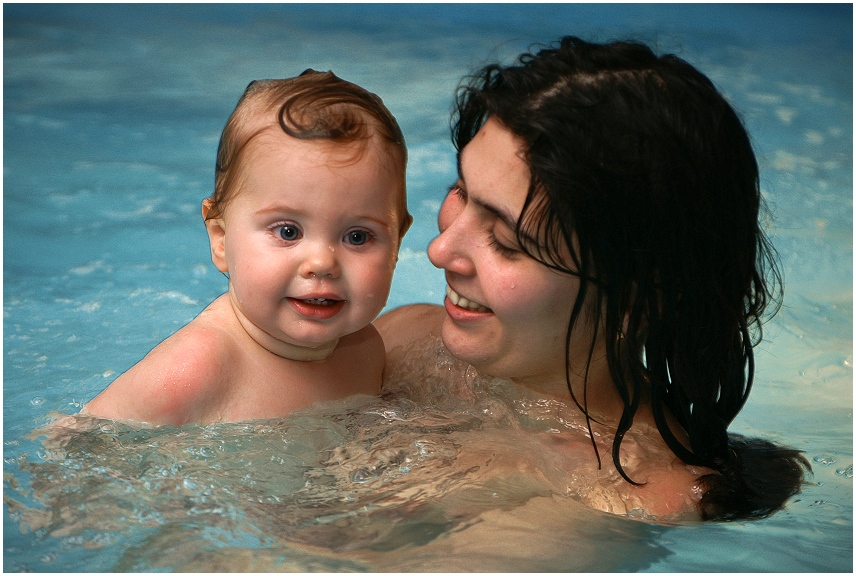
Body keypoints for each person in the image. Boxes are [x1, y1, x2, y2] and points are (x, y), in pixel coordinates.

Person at [377, 36, 809, 521]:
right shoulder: (404, 336)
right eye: (459, 191)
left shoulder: (622, 498)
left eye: (505, 241)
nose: (440, 250)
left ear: (636, 302)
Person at [83, 70, 412, 426]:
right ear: (221, 240)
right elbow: (77, 443)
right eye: (288, 231)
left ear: (397, 244)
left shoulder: (364, 350)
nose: (321, 262)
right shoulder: (191, 373)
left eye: (357, 237)